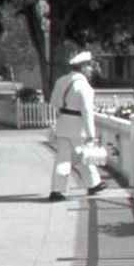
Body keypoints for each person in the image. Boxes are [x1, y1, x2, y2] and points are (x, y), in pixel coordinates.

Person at [48, 51, 107, 201]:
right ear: (83, 68)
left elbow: (54, 103)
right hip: (77, 127)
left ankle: (58, 190)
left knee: (64, 158)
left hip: (63, 124)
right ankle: (93, 184)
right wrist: (91, 134)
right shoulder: (84, 86)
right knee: (83, 155)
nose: (91, 70)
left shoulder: (61, 81)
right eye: (89, 66)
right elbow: (87, 113)